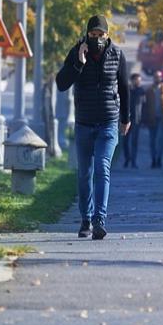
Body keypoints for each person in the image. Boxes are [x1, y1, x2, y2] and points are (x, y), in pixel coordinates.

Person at [56, 14, 130, 240]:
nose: (96, 38)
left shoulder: (117, 55)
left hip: (108, 122)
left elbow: (125, 88)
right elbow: (61, 84)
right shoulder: (77, 52)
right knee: (84, 173)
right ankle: (85, 219)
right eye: (92, 35)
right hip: (84, 123)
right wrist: (78, 62)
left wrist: (126, 118)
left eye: (100, 35)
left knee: (102, 168)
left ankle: (99, 219)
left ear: (107, 35)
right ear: (86, 35)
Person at [144, 70, 163, 168]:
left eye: (159, 77)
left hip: (162, 118)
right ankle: (153, 159)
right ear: (153, 78)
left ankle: (159, 159)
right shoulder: (149, 90)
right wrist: (145, 119)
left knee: (160, 140)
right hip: (152, 118)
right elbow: (145, 106)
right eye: (156, 77)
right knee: (152, 140)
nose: (158, 78)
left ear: (161, 78)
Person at [123, 73, 145, 168]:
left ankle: (133, 160)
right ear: (132, 80)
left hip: (137, 119)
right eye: (137, 80)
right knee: (125, 141)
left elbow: (144, 105)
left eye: (139, 80)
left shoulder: (141, 91)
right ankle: (127, 158)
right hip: (126, 118)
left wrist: (144, 118)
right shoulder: (127, 90)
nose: (138, 82)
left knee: (134, 141)